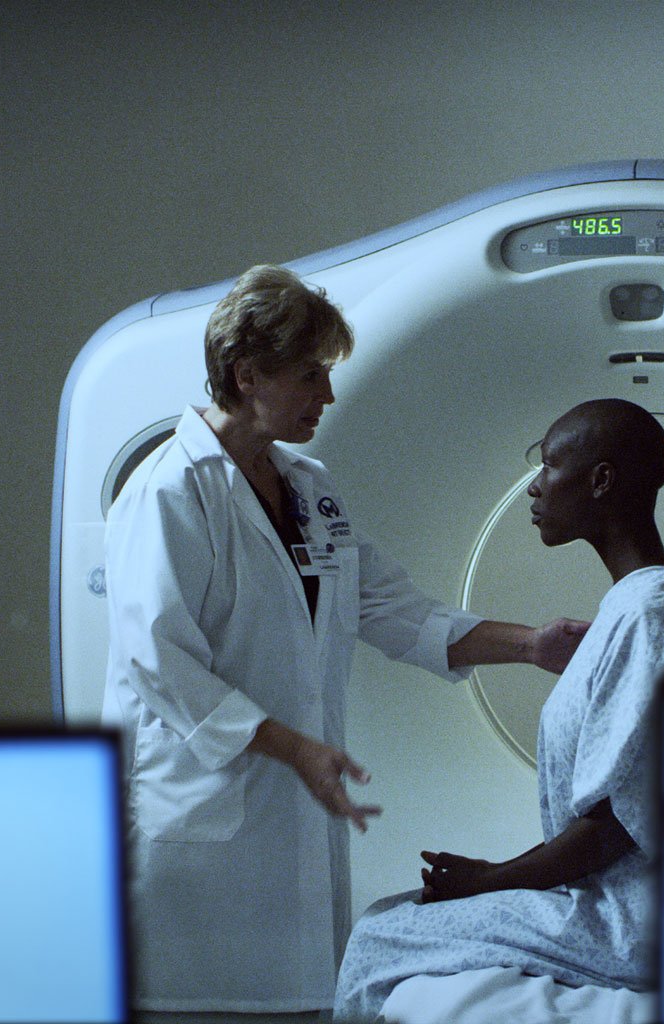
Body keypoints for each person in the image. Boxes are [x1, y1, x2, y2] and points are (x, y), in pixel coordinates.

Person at [102, 264, 588, 1015]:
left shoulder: (308, 486)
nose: (326, 396)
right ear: (247, 375)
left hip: (291, 817)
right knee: (200, 1001)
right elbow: (158, 664)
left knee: (301, 1000)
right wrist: (294, 747)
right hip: (201, 825)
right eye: (309, 376)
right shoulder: (171, 491)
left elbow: (389, 607)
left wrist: (530, 646)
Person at [333, 398, 664, 1022]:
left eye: (550, 465)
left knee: (383, 935)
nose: (535, 487)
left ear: (601, 481)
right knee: (393, 917)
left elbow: (616, 826)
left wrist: (489, 880)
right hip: (630, 898)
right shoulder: (637, 609)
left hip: (639, 919)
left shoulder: (649, 620)